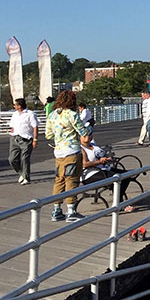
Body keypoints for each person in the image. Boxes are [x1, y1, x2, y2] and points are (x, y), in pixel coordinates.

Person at [45, 90, 90, 222]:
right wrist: (90, 128)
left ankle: (56, 210)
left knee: (59, 180)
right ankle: (71, 211)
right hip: (72, 151)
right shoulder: (72, 115)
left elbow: (48, 135)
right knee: (72, 179)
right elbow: (83, 132)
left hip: (58, 151)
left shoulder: (52, 115)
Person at [8, 97, 38, 186]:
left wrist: (35, 139)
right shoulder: (15, 114)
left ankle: (26, 177)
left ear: (20, 105)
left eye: (15, 104)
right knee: (12, 159)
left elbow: (35, 127)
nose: (14, 106)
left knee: (25, 159)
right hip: (15, 138)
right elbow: (12, 126)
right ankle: (21, 173)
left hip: (26, 139)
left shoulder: (30, 114)